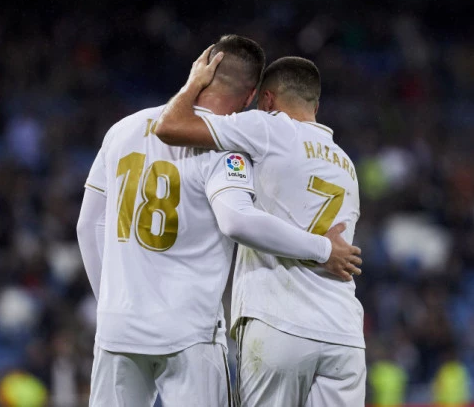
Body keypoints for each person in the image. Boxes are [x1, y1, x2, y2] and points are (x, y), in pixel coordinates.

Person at [77, 36, 362, 407]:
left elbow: (88, 226)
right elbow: (237, 219)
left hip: (119, 326)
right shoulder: (227, 148)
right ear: (251, 97)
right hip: (190, 331)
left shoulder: (121, 130)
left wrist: (112, 304)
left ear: (200, 73)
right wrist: (323, 248)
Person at [155, 55, 366, 406]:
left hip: (279, 321)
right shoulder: (345, 162)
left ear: (267, 100)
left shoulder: (268, 127)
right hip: (343, 332)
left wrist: (194, 83)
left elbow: (170, 126)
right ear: (316, 105)